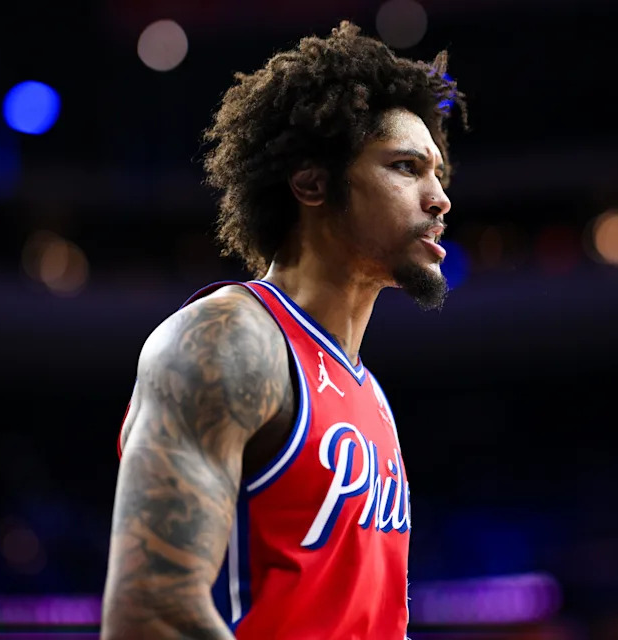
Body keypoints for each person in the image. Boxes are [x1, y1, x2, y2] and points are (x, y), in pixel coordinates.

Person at [101, 20, 466, 640]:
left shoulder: (370, 395)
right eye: (406, 167)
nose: (439, 199)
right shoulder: (228, 340)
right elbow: (152, 614)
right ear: (311, 182)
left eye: (438, 175)